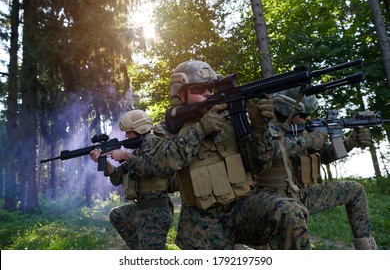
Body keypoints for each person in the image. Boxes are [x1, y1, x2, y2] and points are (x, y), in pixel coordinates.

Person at [127, 60, 312, 249]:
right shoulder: (166, 130)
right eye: (200, 89)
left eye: (211, 88)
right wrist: (200, 131)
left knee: (290, 212)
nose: (208, 93)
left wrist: (259, 128)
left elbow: (258, 165)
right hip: (201, 222)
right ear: (182, 94)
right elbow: (156, 165)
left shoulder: (230, 119)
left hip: (243, 207)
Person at [252, 87, 377, 250]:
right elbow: (268, 151)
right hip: (270, 200)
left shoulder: (300, 130)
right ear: (288, 110)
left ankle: (367, 250)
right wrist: (310, 140)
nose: (307, 118)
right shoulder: (262, 126)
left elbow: (322, 157)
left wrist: (349, 143)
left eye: (308, 115)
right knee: (290, 216)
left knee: (356, 190)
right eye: (303, 115)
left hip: (303, 195)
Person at [90, 109, 177, 250]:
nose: (126, 136)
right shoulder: (138, 151)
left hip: (155, 210)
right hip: (142, 208)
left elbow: (150, 167)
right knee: (117, 215)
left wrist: (125, 156)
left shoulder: (155, 143)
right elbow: (117, 176)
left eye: (129, 132)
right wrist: (103, 161)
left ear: (140, 129)